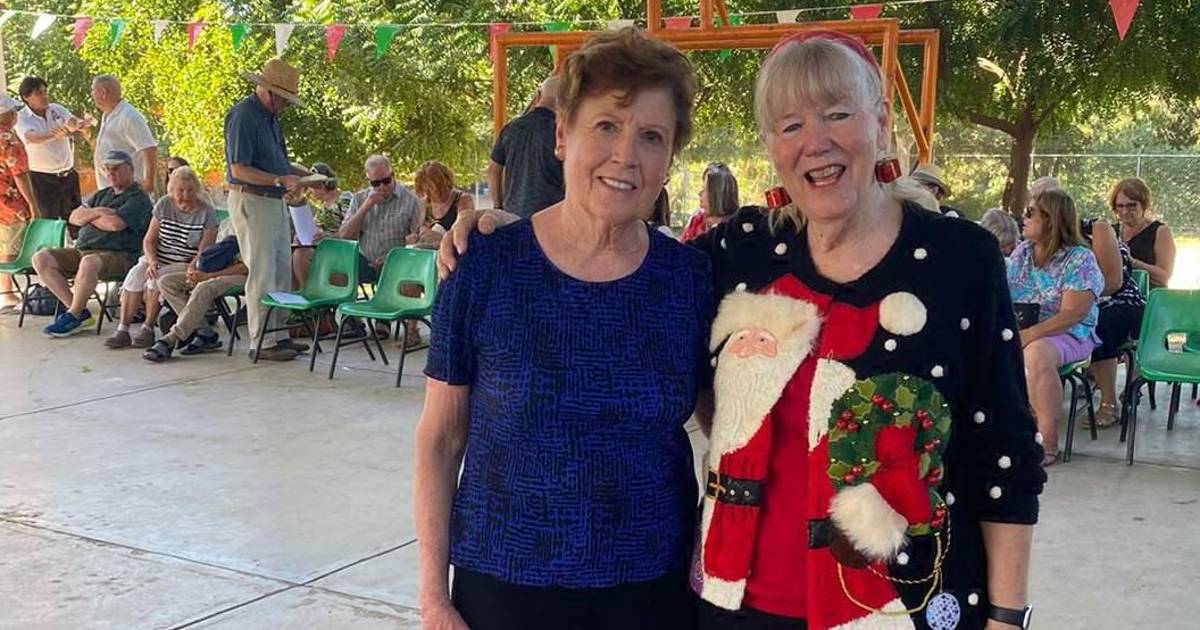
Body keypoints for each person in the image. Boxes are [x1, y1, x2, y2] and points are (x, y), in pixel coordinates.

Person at [441, 29, 1045, 630]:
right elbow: (618, 262)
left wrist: (1005, 615)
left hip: (899, 605)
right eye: (790, 125)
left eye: (838, 114)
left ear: (882, 122)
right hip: (736, 605)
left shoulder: (960, 260)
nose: (816, 143)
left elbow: (1005, 452)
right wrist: (511, 232)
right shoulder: (741, 253)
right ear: (771, 147)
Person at [415, 28, 708, 630]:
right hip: (502, 586)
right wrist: (433, 599)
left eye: (651, 136)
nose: (626, 155)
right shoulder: (483, 265)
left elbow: (729, 433)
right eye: (606, 125)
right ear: (560, 135)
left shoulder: (692, 280)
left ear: (669, 159)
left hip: (653, 591)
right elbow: (440, 440)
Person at [224, 58, 316, 362]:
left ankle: (278, 333)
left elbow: (278, 162)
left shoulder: (270, 118)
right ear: (269, 92)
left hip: (273, 200)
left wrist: (307, 175)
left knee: (280, 268)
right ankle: (261, 340)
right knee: (262, 270)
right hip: (252, 199)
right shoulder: (244, 116)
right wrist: (278, 179)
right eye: (285, 99)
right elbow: (239, 169)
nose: (287, 106)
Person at [1008, 188, 1104, 465]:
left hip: (1070, 332)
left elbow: (1074, 313)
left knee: (1036, 354)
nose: (1023, 218)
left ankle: (1046, 440)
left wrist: (1028, 335)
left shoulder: (1080, 259)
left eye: (1030, 213)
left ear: (1050, 219)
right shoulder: (1022, 252)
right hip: (1024, 329)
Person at [31, 150, 152, 337]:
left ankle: (73, 314)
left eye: (116, 168)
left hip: (120, 254)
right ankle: (78, 312)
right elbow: (74, 217)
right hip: (84, 249)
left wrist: (89, 217)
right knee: (41, 258)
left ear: (130, 170)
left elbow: (115, 224)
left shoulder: (138, 198)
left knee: (89, 262)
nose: (110, 173)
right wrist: (100, 212)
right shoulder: (102, 195)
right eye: (107, 169)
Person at [103, 166, 217, 349]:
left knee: (155, 278)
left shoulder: (207, 212)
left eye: (190, 190)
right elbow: (149, 240)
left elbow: (205, 251)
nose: (185, 195)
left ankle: (148, 328)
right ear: (172, 190)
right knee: (135, 276)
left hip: (185, 263)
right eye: (180, 190)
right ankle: (123, 329)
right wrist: (152, 260)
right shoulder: (164, 204)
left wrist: (192, 265)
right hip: (158, 258)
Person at [338, 155, 425, 344]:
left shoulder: (411, 200)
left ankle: (384, 321)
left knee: (407, 268)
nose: (382, 187)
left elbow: (416, 240)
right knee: (340, 265)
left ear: (393, 175)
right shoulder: (360, 198)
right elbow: (344, 235)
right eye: (376, 183)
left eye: (386, 181)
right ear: (369, 181)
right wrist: (366, 207)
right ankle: (352, 321)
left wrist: (393, 257)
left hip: (396, 262)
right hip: (365, 259)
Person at [144, 226, 248, 363]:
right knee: (166, 281)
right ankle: (204, 331)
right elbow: (206, 254)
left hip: (242, 275)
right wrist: (192, 270)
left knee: (204, 287)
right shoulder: (227, 224)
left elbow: (245, 267)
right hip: (211, 270)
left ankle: (172, 337)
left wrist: (208, 276)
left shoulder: (254, 228)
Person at [1081, 216, 1145, 428]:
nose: (1028, 217)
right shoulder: (1033, 240)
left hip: (1122, 302)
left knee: (1097, 323)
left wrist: (1076, 299)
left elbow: (1113, 283)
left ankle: (1109, 404)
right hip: (1081, 302)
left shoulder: (1096, 229)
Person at [486, 76, 565, 218]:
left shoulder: (510, 129)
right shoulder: (561, 132)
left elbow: (493, 171)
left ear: (538, 95)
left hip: (513, 215)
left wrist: (498, 206)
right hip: (550, 217)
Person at [14, 77, 89, 223]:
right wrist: (54, 135)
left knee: (77, 219)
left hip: (68, 175)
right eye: (39, 93)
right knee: (48, 221)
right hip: (42, 179)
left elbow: (71, 120)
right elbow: (31, 137)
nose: (44, 96)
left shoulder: (56, 109)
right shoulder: (22, 118)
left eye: (45, 92)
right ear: (26, 97)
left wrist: (76, 124)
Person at [1, 95, 41, 313]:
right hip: (10, 204)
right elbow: (20, 174)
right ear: (7, 114)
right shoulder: (9, 140)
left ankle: (6, 291)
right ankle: (7, 293)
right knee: (11, 246)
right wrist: (33, 204)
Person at [90, 75, 157, 191]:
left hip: (129, 191)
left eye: (93, 91)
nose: (91, 95)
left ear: (103, 93)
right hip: (110, 190)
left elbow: (149, 149)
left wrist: (149, 183)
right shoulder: (107, 115)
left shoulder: (128, 116)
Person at [290, 162, 350, 288]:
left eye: (312, 187)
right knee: (289, 255)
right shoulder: (322, 207)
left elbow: (350, 230)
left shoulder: (345, 199)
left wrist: (328, 236)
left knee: (300, 255)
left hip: (338, 249)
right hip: (321, 247)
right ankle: (295, 293)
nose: (310, 191)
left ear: (322, 184)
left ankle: (307, 292)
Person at [1111, 177, 1175, 289]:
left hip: (1149, 295)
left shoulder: (1160, 231)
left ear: (1144, 205)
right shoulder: (1110, 232)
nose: (1125, 211)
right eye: (1120, 206)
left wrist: (1131, 262)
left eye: (1131, 206)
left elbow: (1164, 276)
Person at [679, 162, 738, 242]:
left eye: (704, 189)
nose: (699, 193)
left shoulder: (735, 228)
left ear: (716, 195)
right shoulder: (696, 221)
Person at [415, 160, 475, 234]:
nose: (429, 194)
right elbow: (417, 229)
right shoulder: (425, 203)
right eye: (426, 190)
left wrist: (436, 235)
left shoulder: (462, 200)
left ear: (444, 182)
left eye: (431, 188)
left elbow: (464, 231)